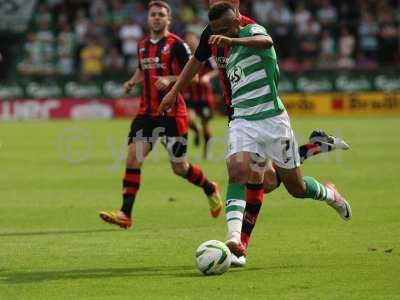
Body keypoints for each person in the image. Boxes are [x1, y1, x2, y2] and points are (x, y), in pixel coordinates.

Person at [159, 0, 350, 267]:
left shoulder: (251, 31)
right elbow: (196, 61)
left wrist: (231, 41)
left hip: (273, 121)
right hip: (242, 119)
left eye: (224, 29)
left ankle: (331, 194)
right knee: (239, 170)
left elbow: (267, 43)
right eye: (216, 30)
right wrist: (174, 91)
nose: (218, 37)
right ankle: (234, 241)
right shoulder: (213, 35)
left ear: (237, 17)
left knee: (294, 187)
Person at [99, 1, 222, 229]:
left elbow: (193, 77)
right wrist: (132, 81)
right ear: (148, 19)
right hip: (146, 113)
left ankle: (210, 188)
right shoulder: (143, 45)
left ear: (168, 19)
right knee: (133, 158)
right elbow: (141, 68)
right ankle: (125, 214)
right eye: (153, 14)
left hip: (172, 114)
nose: (156, 18)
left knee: (180, 167)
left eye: (161, 15)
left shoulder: (177, 45)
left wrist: (170, 79)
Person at [184, 31, 219, 159]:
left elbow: (217, 69)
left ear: (197, 41)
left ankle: (206, 151)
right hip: (190, 94)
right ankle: (196, 130)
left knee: (206, 126)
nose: (189, 42)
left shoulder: (206, 55)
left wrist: (207, 77)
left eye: (191, 40)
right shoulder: (184, 56)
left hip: (204, 96)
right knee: (188, 119)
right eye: (187, 41)